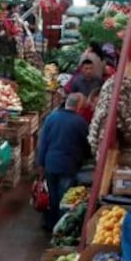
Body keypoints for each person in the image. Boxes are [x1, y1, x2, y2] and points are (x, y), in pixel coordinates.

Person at [36, 93, 91, 232]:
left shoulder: (51, 118)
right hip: (69, 166)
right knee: (64, 198)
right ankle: (60, 230)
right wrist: (85, 158)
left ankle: (50, 223)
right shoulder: (80, 122)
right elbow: (86, 145)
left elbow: (43, 143)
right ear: (78, 106)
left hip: (51, 164)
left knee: (52, 196)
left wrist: (41, 165)